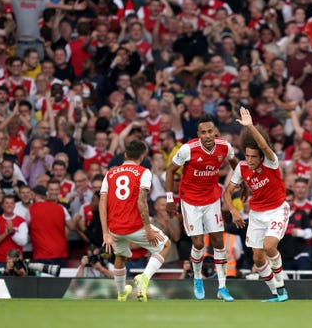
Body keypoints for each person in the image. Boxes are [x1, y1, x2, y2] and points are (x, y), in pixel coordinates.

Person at [165, 114, 239, 302]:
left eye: (210, 132)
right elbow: (170, 170)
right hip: (190, 200)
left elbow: (234, 162)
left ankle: (222, 287)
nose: (207, 135)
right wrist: (169, 199)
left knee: (218, 241)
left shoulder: (224, 147)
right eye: (203, 132)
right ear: (198, 134)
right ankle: (197, 278)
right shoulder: (188, 149)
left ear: (215, 132)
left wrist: (242, 180)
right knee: (198, 244)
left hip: (212, 198)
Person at [223, 106, 289, 302]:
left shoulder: (271, 162)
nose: (249, 160)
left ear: (261, 156)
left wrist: (250, 127)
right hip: (257, 214)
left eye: (253, 156)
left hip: (277, 210)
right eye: (247, 156)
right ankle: (277, 293)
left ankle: (282, 286)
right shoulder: (242, 168)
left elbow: (266, 147)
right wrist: (234, 210)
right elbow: (227, 192)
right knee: (258, 260)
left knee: (270, 246)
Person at [100, 140, 171, 302]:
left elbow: (102, 202)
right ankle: (144, 278)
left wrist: (106, 233)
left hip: (115, 228)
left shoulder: (110, 173)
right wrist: (147, 228)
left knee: (120, 256)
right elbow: (141, 202)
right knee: (165, 245)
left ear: (125, 155)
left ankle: (121, 293)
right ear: (142, 156)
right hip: (135, 226)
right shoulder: (144, 172)